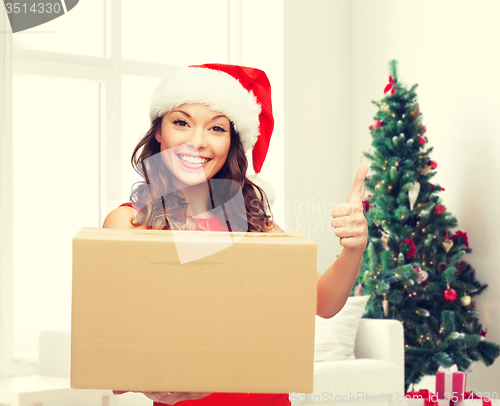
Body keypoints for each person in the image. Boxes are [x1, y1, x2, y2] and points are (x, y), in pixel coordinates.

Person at [102, 63, 369, 406]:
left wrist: (353, 247)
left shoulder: (254, 223)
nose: (197, 142)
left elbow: (324, 302)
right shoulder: (130, 223)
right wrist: (147, 381)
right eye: (181, 122)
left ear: (232, 142)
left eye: (215, 128)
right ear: (158, 131)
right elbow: (113, 339)